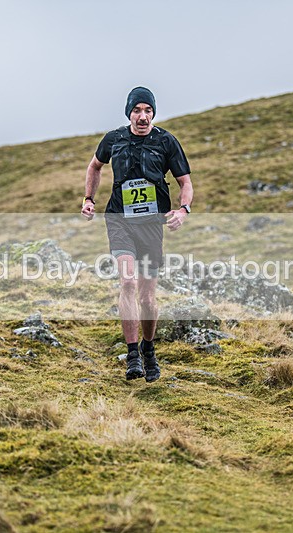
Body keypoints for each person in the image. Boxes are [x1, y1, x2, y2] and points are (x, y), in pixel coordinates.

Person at [81, 86, 193, 382]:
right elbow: (95, 167)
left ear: (153, 113)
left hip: (152, 226)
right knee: (128, 282)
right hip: (119, 220)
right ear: (129, 112)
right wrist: (89, 199)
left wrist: (183, 211)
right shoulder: (114, 139)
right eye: (137, 111)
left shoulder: (167, 142)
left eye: (148, 111)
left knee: (147, 297)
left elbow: (185, 181)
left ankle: (148, 348)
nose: (142, 117)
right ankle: (132, 355)